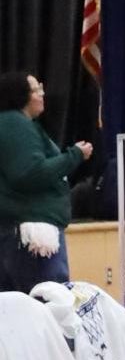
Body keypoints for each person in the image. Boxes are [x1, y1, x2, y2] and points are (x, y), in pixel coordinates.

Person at [0, 71, 92, 291]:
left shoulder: (17, 124)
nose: (42, 94)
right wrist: (74, 156)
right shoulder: (15, 124)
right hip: (32, 235)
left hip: (24, 231)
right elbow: (30, 173)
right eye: (35, 89)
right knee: (49, 304)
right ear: (19, 95)